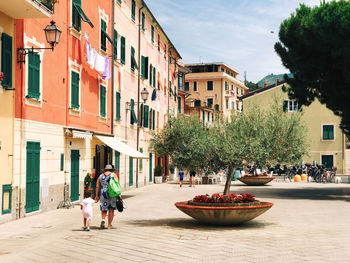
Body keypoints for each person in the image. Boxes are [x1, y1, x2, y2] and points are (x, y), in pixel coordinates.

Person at [95, 164, 119, 229]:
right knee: (111, 209)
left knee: (104, 208)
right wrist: (119, 195)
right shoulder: (114, 175)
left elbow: (97, 186)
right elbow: (117, 185)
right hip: (112, 193)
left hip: (103, 193)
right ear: (111, 170)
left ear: (105, 169)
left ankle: (103, 219)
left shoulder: (100, 176)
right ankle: (109, 225)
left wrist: (96, 196)